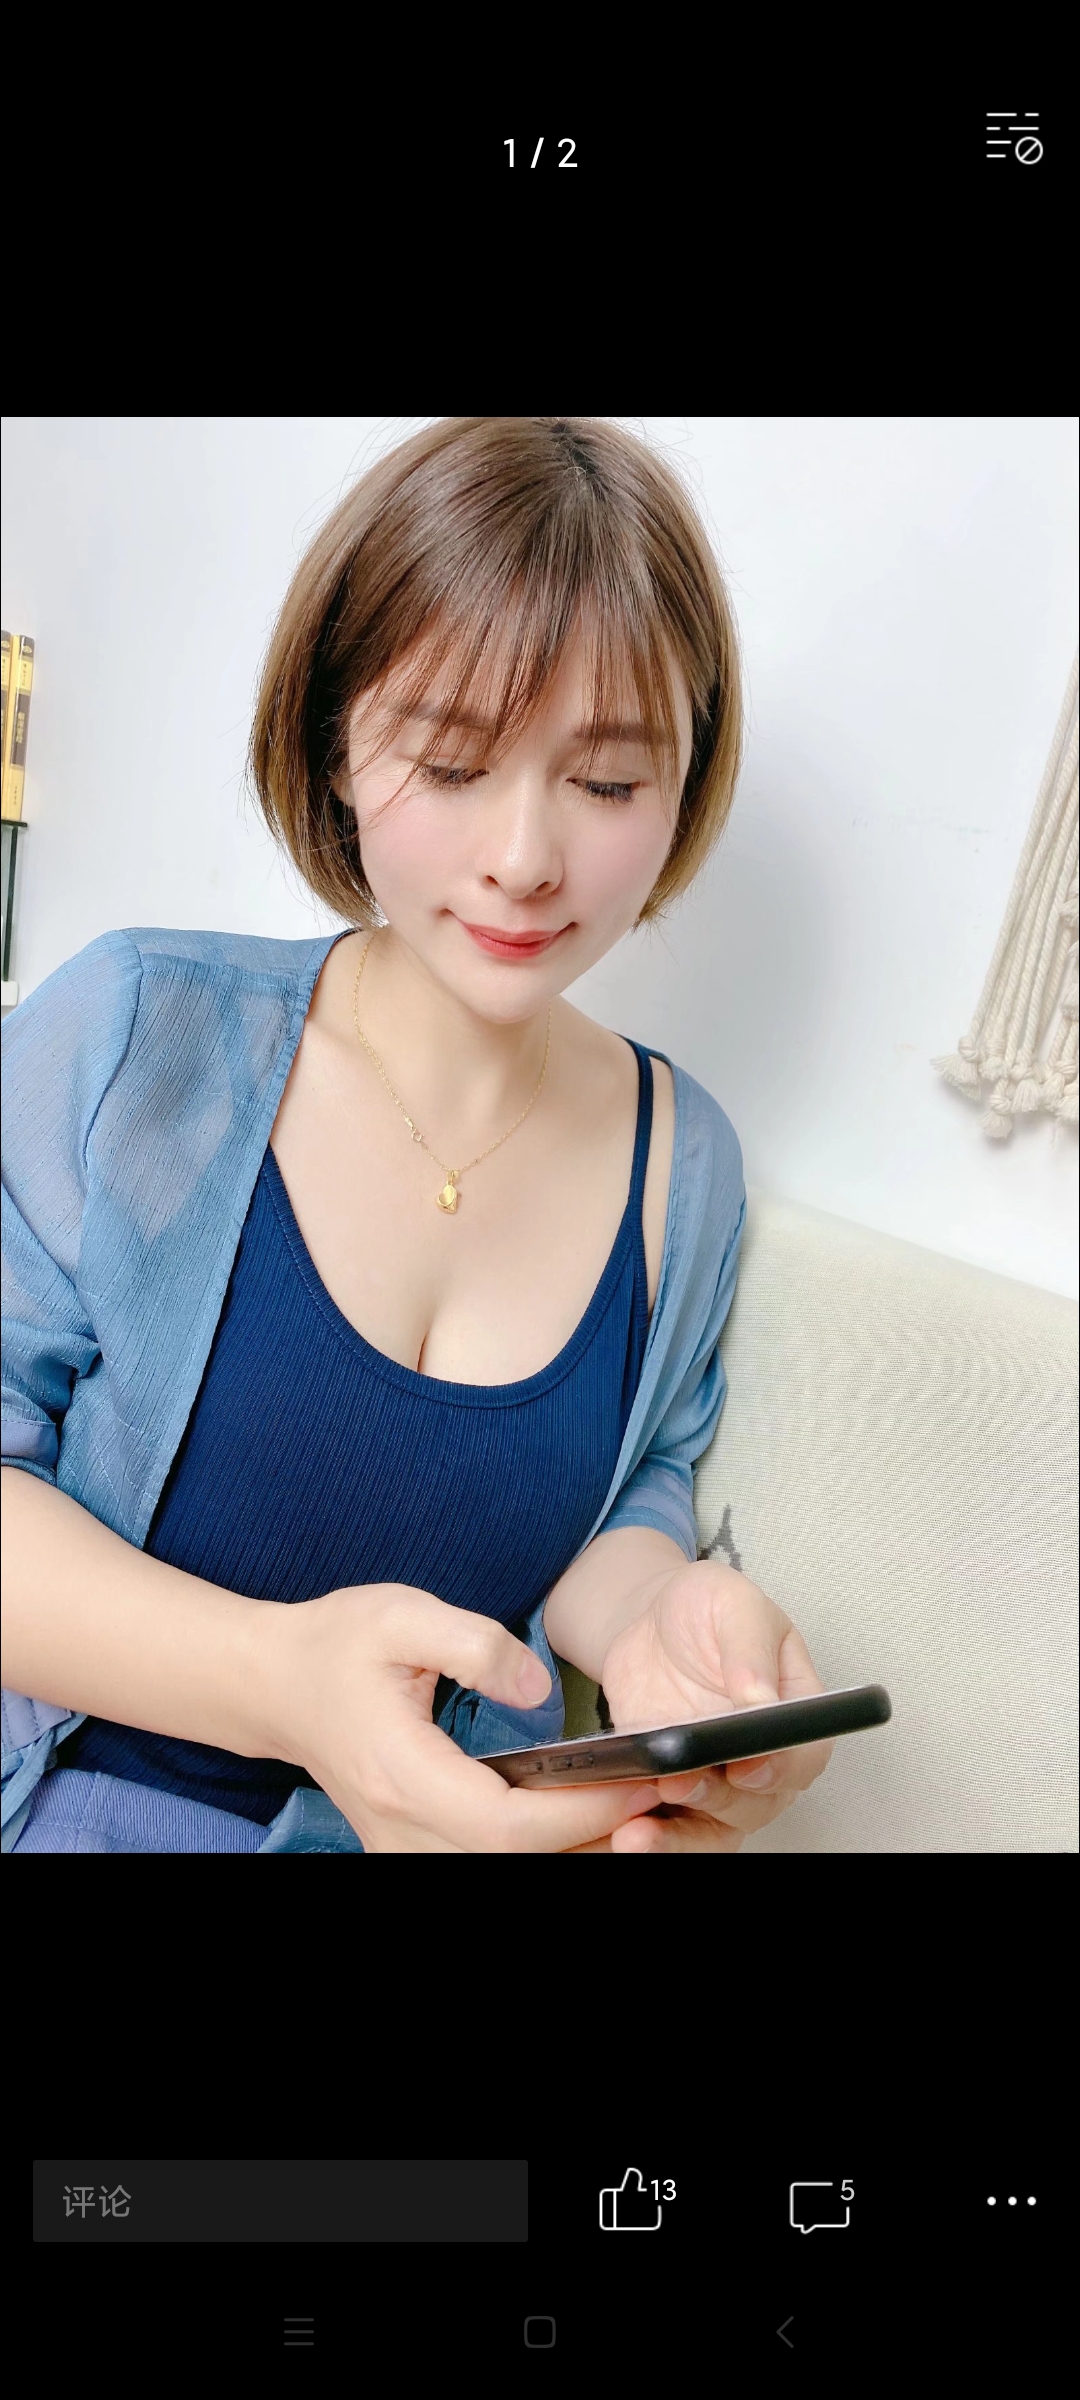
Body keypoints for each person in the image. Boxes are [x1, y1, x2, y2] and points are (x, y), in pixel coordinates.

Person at [1, 414, 833, 1853]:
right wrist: (280, 1685)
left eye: (608, 783)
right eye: (451, 765)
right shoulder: (138, 1035)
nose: (524, 859)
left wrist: (665, 1619)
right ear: (335, 743)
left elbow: (620, 1496)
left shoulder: (682, 1166)